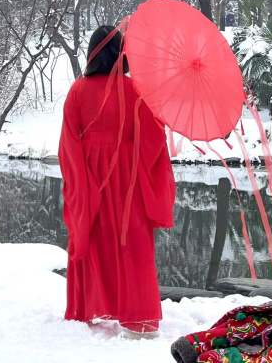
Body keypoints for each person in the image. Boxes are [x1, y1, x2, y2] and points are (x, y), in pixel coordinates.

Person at [58, 25, 176, 337]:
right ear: (121, 53)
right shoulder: (136, 90)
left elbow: (68, 143)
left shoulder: (78, 91)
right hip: (131, 181)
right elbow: (153, 140)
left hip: (90, 177)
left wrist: (78, 184)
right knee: (133, 244)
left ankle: (89, 307)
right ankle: (139, 316)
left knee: (94, 240)